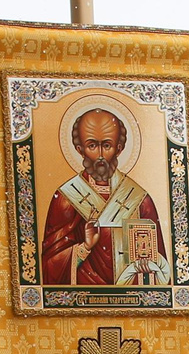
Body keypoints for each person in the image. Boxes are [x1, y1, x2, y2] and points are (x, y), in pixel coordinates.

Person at [42, 106, 161, 287]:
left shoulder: (140, 200)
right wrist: (85, 247)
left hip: (132, 301)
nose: (99, 156)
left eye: (106, 146)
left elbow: (162, 268)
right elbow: (49, 266)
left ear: (119, 149)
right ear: (80, 149)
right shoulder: (66, 198)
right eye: (91, 146)